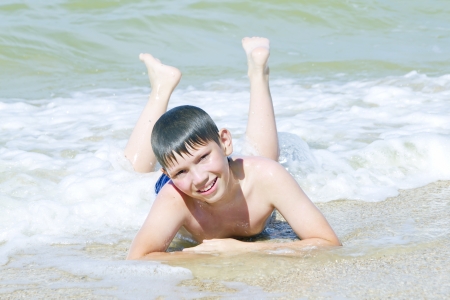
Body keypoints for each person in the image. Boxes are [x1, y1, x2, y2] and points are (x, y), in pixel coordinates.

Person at [125, 37, 340, 260]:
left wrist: (241, 249)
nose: (199, 178)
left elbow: (328, 242)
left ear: (225, 142)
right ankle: (161, 87)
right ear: (168, 175)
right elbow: (138, 258)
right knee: (131, 172)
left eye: (203, 158)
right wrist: (205, 255)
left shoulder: (266, 176)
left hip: (239, 171)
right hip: (191, 176)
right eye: (181, 172)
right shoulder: (175, 198)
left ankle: (259, 73)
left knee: (263, 163)